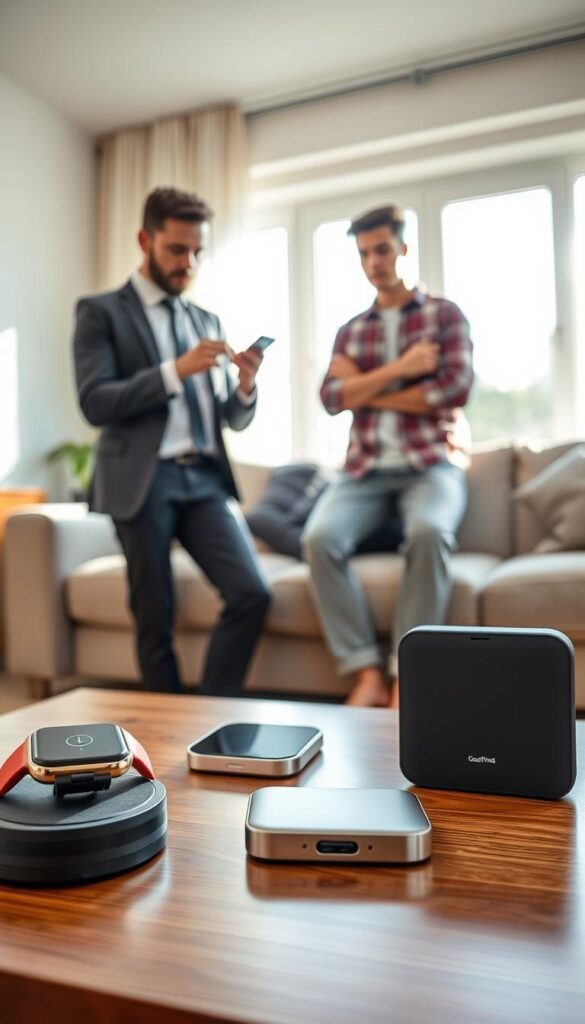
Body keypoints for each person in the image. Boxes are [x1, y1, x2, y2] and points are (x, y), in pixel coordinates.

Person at [73, 186, 270, 695]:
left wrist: (245, 385)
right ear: (145, 239)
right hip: (143, 479)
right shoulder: (100, 312)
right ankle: (164, 733)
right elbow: (95, 402)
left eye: (197, 251)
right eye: (177, 250)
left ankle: (208, 713)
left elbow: (229, 416)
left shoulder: (206, 319)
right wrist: (173, 371)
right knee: (153, 616)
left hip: (203, 477)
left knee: (251, 593)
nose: (189, 263)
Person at [302, 204, 473, 708]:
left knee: (429, 532)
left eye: (381, 250)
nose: (373, 262)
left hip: (431, 465)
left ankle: (406, 674)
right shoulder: (352, 329)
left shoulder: (445, 316)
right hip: (365, 470)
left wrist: (364, 385)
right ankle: (365, 673)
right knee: (319, 539)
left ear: (402, 247)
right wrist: (403, 369)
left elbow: (454, 390)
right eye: (363, 254)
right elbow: (332, 398)